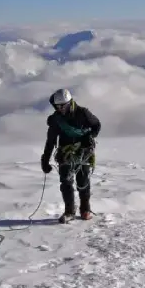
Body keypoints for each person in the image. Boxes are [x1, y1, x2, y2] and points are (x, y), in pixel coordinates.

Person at [40, 88, 101, 222]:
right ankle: (69, 212)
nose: (60, 108)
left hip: (84, 151)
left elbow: (96, 125)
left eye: (62, 105)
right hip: (65, 153)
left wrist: (90, 137)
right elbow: (50, 141)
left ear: (69, 103)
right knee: (66, 182)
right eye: (57, 106)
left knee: (83, 181)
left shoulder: (83, 113)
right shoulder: (56, 120)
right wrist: (45, 159)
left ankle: (85, 209)